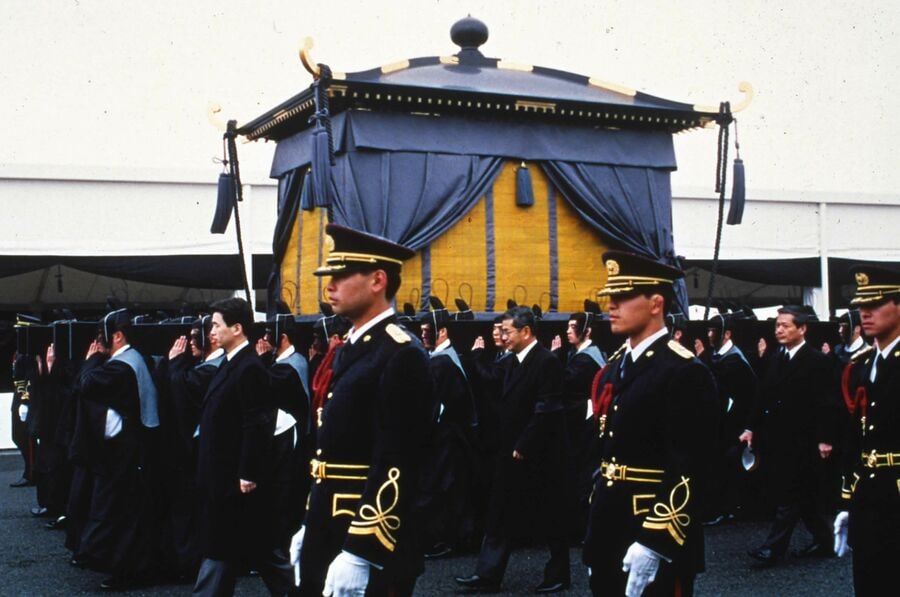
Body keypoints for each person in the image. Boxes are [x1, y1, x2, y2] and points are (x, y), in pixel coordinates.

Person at [294, 223, 433, 597]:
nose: (329, 286)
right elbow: (331, 452)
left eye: (340, 276)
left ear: (377, 280)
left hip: (366, 539)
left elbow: (399, 460)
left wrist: (362, 550)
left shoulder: (401, 354)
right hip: (330, 526)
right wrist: (309, 522)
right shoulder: (354, 349)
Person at [582, 251, 718, 597]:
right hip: (609, 527)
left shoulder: (683, 371)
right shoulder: (614, 367)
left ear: (656, 303)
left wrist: (655, 541)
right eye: (610, 297)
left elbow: (692, 465)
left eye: (624, 297)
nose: (611, 305)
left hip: (653, 529)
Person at [455, 306, 573, 594]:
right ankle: (487, 574)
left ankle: (559, 574)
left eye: (507, 331)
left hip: (541, 454)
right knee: (500, 512)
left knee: (551, 516)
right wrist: (476, 357)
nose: (502, 336)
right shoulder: (511, 361)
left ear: (526, 331)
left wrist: (524, 444)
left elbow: (547, 408)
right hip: (511, 451)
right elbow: (490, 380)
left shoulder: (546, 362)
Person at [191, 298, 294, 597]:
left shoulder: (248, 367)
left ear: (237, 328)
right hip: (225, 474)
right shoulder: (233, 362)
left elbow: (256, 422)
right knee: (259, 549)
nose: (211, 331)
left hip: (234, 478)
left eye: (216, 325)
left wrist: (248, 472)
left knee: (225, 548)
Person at [741, 305, 843, 565]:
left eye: (785, 325)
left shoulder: (817, 361)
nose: (779, 330)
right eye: (777, 325)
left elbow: (827, 403)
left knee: (790, 493)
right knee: (802, 496)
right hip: (778, 438)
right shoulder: (775, 357)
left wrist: (826, 438)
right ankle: (825, 541)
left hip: (806, 439)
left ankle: (772, 549)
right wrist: (751, 427)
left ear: (802, 328)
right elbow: (762, 396)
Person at [72, 308, 162, 590]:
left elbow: (85, 384)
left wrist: (91, 359)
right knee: (124, 512)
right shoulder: (133, 359)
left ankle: (125, 571)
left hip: (126, 453)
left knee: (120, 513)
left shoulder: (121, 367)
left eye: (102, 336)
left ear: (118, 336)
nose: (98, 342)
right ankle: (123, 566)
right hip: (132, 449)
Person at [833, 265, 900, 596]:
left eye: (875, 304)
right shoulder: (861, 366)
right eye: (862, 306)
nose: (865, 313)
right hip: (869, 497)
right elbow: (854, 438)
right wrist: (847, 500)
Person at [417, 298, 478, 559]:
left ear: (442, 331)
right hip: (452, 435)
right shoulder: (445, 358)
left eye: (426, 331)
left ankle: (444, 540)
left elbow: (437, 405)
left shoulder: (441, 363)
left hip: (446, 437)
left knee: (442, 488)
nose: (423, 335)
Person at [256, 312, 312, 552]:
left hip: (290, 437)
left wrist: (260, 361)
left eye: (270, 334)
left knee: (283, 492)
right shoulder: (291, 360)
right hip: (285, 436)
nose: (264, 339)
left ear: (284, 337)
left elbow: (263, 387)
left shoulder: (290, 366)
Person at [697, 313, 758, 525]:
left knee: (725, 466)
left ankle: (726, 509)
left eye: (713, 331)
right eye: (708, 330)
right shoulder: (717, 356)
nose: (709, 335)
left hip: (734, 423)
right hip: (721, 422)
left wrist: (701, 358)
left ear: (727, 334)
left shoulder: (734, 360)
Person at [551, 310, 606, 537]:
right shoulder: (580, 354)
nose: (567, 331)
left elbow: (565, 381)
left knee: (583, 473)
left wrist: (554, 356)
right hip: (581, 418)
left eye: (573, 327)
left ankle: (582, 527)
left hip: (585, 421)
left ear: (587, 331)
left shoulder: (587, 359)